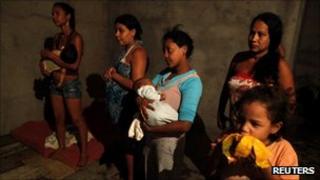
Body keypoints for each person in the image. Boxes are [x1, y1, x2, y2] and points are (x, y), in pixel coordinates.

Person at [138, 26, 203, 179]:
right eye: (163, 50)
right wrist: (140, 99)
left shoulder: (192, 82)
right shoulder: (164, 74)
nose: (165, 55)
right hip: (149, 139)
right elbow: (146, 90)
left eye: (170, 50)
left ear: (184, 50)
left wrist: (152, 129)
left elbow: (185, 125)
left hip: (168, 145)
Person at [217, 12, 296, 130]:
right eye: (252, 33)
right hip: (236, 126)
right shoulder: (239, 58)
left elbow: (290, 102)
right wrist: (220, 111)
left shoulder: (279, 65)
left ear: (272, 37)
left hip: (260, 134)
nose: (254, 38)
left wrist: (274, 130)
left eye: (261, 34)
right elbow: (226, 88)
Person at [209, 86, 298, 180]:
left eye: (254, 124)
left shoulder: (284, 151)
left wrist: (263, 163)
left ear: (274, 127)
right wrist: (218, 153)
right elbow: (208, 170)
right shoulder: (228, 137)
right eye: (241, 120)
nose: (244, 128)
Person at [39, 2, 88, 166]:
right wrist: (44, 66)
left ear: (68, 16)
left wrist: (51, 57)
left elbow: (74, 66)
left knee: (76, 119)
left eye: (57, 13)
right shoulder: (57, 38)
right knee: (59, 118)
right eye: (52, 13)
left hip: (71, 84)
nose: (53, 16)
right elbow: (54, 61)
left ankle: (84, 154)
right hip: (55, 83)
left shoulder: (76, 38)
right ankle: (61, 149)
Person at [104, 14, 148, 180]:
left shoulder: (138, 52)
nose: (116, 34)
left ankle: (132, 177)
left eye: (120, 31)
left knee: (131, 145)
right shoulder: (127, 50)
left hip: (129, 106)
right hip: (120, 108)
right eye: (116, 30)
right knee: (126, 143)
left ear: (133, 32)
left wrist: (114, 75)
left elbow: (136, 84)